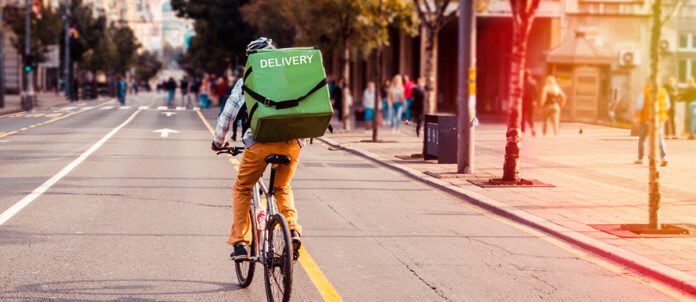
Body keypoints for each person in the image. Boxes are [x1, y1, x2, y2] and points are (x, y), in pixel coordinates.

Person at [210, 37, 302, 261]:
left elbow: (228, 116)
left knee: (242, 188)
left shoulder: (246, 82)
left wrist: (218, 142)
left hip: (259, 144)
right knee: (282, 187)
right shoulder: (289, 78)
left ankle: (241, 243)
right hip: (291, 144)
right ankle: (292, 229)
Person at [634, 80, 670, 166]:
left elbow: (639, 106)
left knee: (642, 139)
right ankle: (664, 157)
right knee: (659, 138)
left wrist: (637, 117)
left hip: (647, 118)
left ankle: (640, 158)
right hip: (660, 119)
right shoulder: (664, 92)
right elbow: (667, 105)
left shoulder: (645, 92)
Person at [522, 69, 538, 136]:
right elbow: (536, 93)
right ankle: (533, 129)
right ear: (530, 75)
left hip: (523, 102)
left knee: (522, 117)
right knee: (530, 117)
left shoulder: (521, 82)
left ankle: (522, 131)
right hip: (531, 102)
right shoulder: (533, 82)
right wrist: (535, 101)